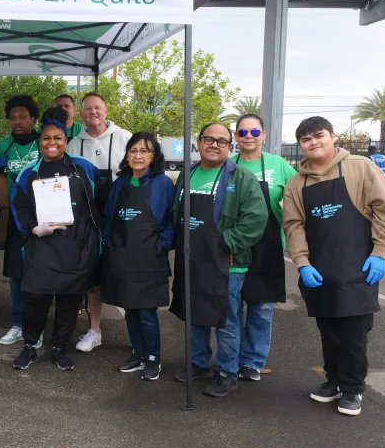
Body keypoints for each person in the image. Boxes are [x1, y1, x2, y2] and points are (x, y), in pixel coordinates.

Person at [283, 116, 385, 416]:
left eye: (318, 135)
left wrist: (380, 252)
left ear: (333, 136)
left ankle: (352, 389)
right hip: (320, 269)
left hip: (358, 266)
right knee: (329, 329)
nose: (313, 142)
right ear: (301, 146)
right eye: (306, 139)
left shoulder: (360, 168)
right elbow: (294, 225)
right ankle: (333, 380)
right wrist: (302, 263)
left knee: (353, 332)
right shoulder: (297, 183)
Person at [169, 123, 268, 398]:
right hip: (191, 260)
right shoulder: (187, 174)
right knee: (195, 314)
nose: (214, 145)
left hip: (227, 263)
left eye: (221, 141)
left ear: (229, 146)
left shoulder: (242, 178)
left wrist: (227, 243)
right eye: (208, 139)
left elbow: (256, 218)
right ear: (199, 143)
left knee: (226, 320)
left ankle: (227, 371)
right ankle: (199, 362)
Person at [10, 116, 103, 371]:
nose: (52, 143)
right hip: (41, 245)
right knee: (35, 298)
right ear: (40, 141)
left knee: (69, 301)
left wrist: (93, 237)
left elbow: (99, 200)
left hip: (76, 246)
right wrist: (33, 228)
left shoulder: (84, 167)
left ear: (66, 141)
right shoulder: (28, 173)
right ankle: (30, 346)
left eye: (58, 138)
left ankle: (60, 347)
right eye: (47, 138)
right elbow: (18, 205)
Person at [101, 132, 174, 381]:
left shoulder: (162, 183)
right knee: (130, 309)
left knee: (146, 312)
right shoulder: (120, 181)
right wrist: (108, 245)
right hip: (121, 255)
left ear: (154, 156)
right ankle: (138, 353)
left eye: (145, 151)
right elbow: (109, 216)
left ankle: (153, 357)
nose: (138, 155)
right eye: (133, 150)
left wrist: (161, 245)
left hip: (149, 258)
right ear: (127, 155)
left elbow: (170, 220)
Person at [231, 114, 298, 381]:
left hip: (268, 248)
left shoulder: (279, 165)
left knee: (261, 310)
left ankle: (253, 362)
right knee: (232, 308)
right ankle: (231, 358)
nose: (249, 137)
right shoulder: (227, 165)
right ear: (236, 136)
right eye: (243, 132)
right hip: (234, 247)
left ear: (264, 135)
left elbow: (299, 197)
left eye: (254, 132)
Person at [65, 92, 131, 353]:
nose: (93, 112)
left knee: (122, 272)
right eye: (88, 109)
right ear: (81, 115)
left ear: (106, 110)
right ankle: (94, 330)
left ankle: (137, 333)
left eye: (97, 108)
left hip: (119, 217)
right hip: (86, 219)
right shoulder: (73, 145)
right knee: (92, 274)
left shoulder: (124, 138)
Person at [0, 95, 42, 347]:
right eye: (13, 118)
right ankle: (18, 324)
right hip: (16, 216)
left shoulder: (42, 141)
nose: (17, 122)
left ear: (33, 119)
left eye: (23, 117)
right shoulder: (4, 145)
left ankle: (36, 327)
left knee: (38, 272)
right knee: (15, 274)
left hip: (41, 214)